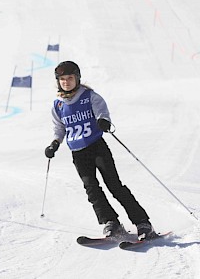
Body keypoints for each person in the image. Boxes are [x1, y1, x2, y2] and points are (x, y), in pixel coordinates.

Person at [45, 61, 155, 240]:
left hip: (96, 147)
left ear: (77, 78)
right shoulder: (58, 105)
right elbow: (59, 128)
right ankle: (111, 222)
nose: (66, 82)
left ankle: (142, 222)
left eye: (70, 78)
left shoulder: (89, 96)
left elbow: (102, 112)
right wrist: (54, 143)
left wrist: (103, 121)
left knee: (114, 185)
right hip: (78, 152)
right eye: (62, 79)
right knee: (92, 189)